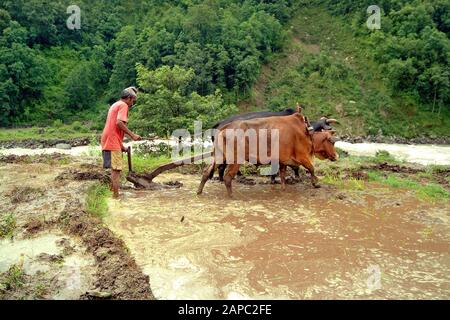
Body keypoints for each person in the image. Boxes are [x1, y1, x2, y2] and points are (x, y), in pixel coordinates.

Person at [101, 87, 141, 198]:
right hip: (112, 140)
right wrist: (133, 135)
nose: (132, 103)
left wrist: (121, 146)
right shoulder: (124, 105)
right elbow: (119, 123)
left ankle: (113, 193)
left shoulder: (115, 104)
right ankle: (116, 196)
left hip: (108, 138)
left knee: (114, 168)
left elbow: (113, 127)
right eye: (133, 100)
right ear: (128, 98)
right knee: (116, 169)